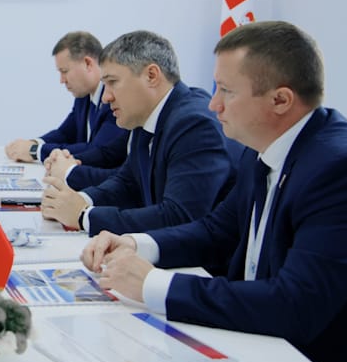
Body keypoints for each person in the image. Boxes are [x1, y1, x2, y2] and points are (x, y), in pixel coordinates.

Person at [82, 21, 347, 362]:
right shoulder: (264, 148)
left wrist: (153, 284)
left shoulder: (345, 169)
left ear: (281, 100)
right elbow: (216, 231)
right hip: (257, 346)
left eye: (226, 91)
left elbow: (294, 305)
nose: (213, 104)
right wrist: (135, 244)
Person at [41, 30, 237, 235]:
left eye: (112, 82)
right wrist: (80, 200)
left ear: (151, 76)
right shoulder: (144, 117)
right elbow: (127, 182)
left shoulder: (194, 125)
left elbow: (179, 216)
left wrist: (84, 216)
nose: (106, 97)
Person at [5, 31, 128, 188]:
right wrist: (34, 143)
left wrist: (35, 150)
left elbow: (99, 150)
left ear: (88, 63)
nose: (62, 80)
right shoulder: (83, 96)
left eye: (64, 71)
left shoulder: (114, 99)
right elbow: (65, 133)